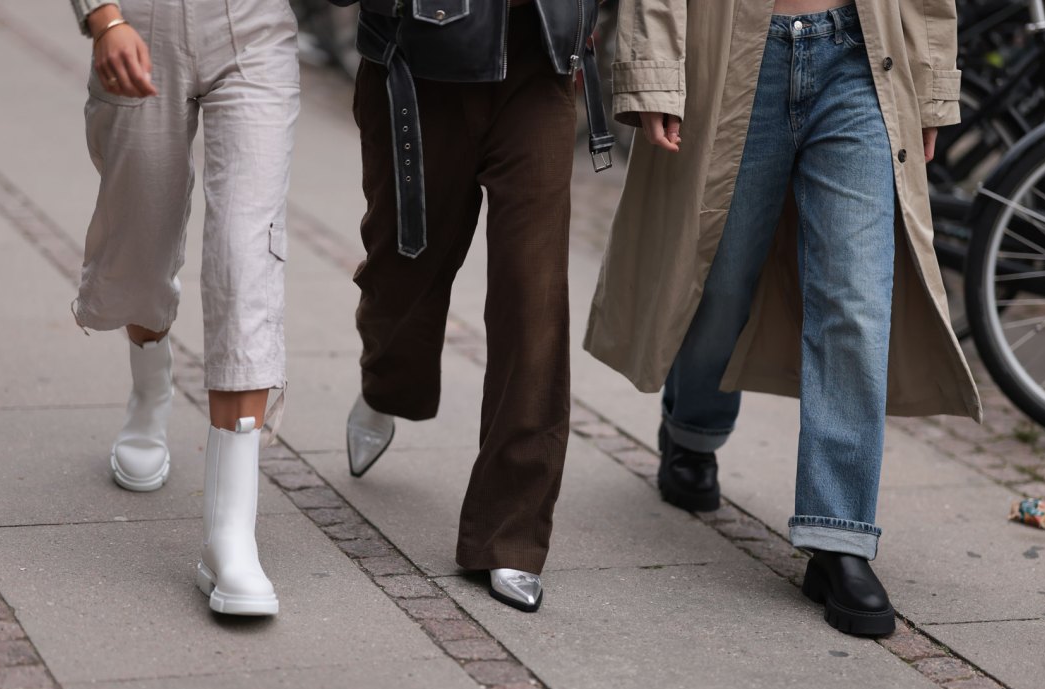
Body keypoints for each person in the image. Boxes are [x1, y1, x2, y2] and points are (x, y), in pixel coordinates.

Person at [585, 0, 981, 636]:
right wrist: (655, 71)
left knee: (855, 304)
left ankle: (840, 540)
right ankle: (692, 430)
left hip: (858, 56)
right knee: (717, 280)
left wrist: (931, 83)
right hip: (736, 53)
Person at [343, 0, 608, 613]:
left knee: (534, 303)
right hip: (418, 65)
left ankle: (509, 533)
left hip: (540, 66)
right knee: (404, 275)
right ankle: (389, 386)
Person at [69, 0, 300, 616]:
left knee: (244, 257)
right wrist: (104, 20)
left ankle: (230, 537)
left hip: (256, 28)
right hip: (138, 24)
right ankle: (150, 390)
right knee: (141, 246)